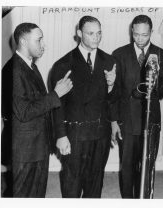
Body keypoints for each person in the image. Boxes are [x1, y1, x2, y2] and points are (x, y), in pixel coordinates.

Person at [50, 16, 118, 198]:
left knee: (95, 183)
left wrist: (111, 86)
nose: (96, 37)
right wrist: (61, 135)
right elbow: (57, 105)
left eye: (99, 33)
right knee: (72, 183)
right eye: (90, 33)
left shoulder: (109, 61)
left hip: (100, 133)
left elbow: (113, 99)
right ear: (79, 34)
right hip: (75, 135)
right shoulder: (63, 64)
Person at [1, 22, 73, 197]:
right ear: (23, 41)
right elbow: (24, 111)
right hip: (25, 151)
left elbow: (36, 103)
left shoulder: (29, 65)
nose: (43, 45)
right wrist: (56, 94)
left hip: (37, 147)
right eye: (38, 40)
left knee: (36, 195)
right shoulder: (13, 69)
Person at [112, 14, 163, 198]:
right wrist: (114, 121)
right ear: (132, 31)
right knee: (127, 166)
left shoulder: (162, 55)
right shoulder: (119, 54)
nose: (139, 39)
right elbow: (114, 92)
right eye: (136, 34)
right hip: (127, 121)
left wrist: (155, 83)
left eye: (144, 35)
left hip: (150, 121)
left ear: (151, 32)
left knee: (147, 165)